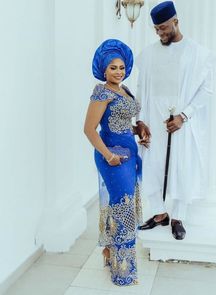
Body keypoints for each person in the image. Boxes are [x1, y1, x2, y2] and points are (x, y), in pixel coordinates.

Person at [136, 1, 216, 240]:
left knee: (181, 167)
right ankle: (159, 213)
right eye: (156, 29)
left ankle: (178, 217)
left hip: (180, 123)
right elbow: (141, 88)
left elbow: (206, 90)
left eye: (164, 28)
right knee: (152, 165)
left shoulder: (197, 53)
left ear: (176, 22)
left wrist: (184, 116)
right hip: (153, 120)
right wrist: (140, 120)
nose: (160, 33)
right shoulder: (149, 54)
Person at [84, 39, 143, 286]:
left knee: (123, 205)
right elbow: (89, 129)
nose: (118, 72)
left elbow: (118, 124)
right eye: (113, 68)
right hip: (113, 159)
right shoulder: (102, 92)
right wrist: (109, 156)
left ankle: (110, 252)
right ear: (103, 70)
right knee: (123, 209)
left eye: (121, 67)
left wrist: (138, 129)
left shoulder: (124, 89)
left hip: (130, 155)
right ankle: (123, 271)